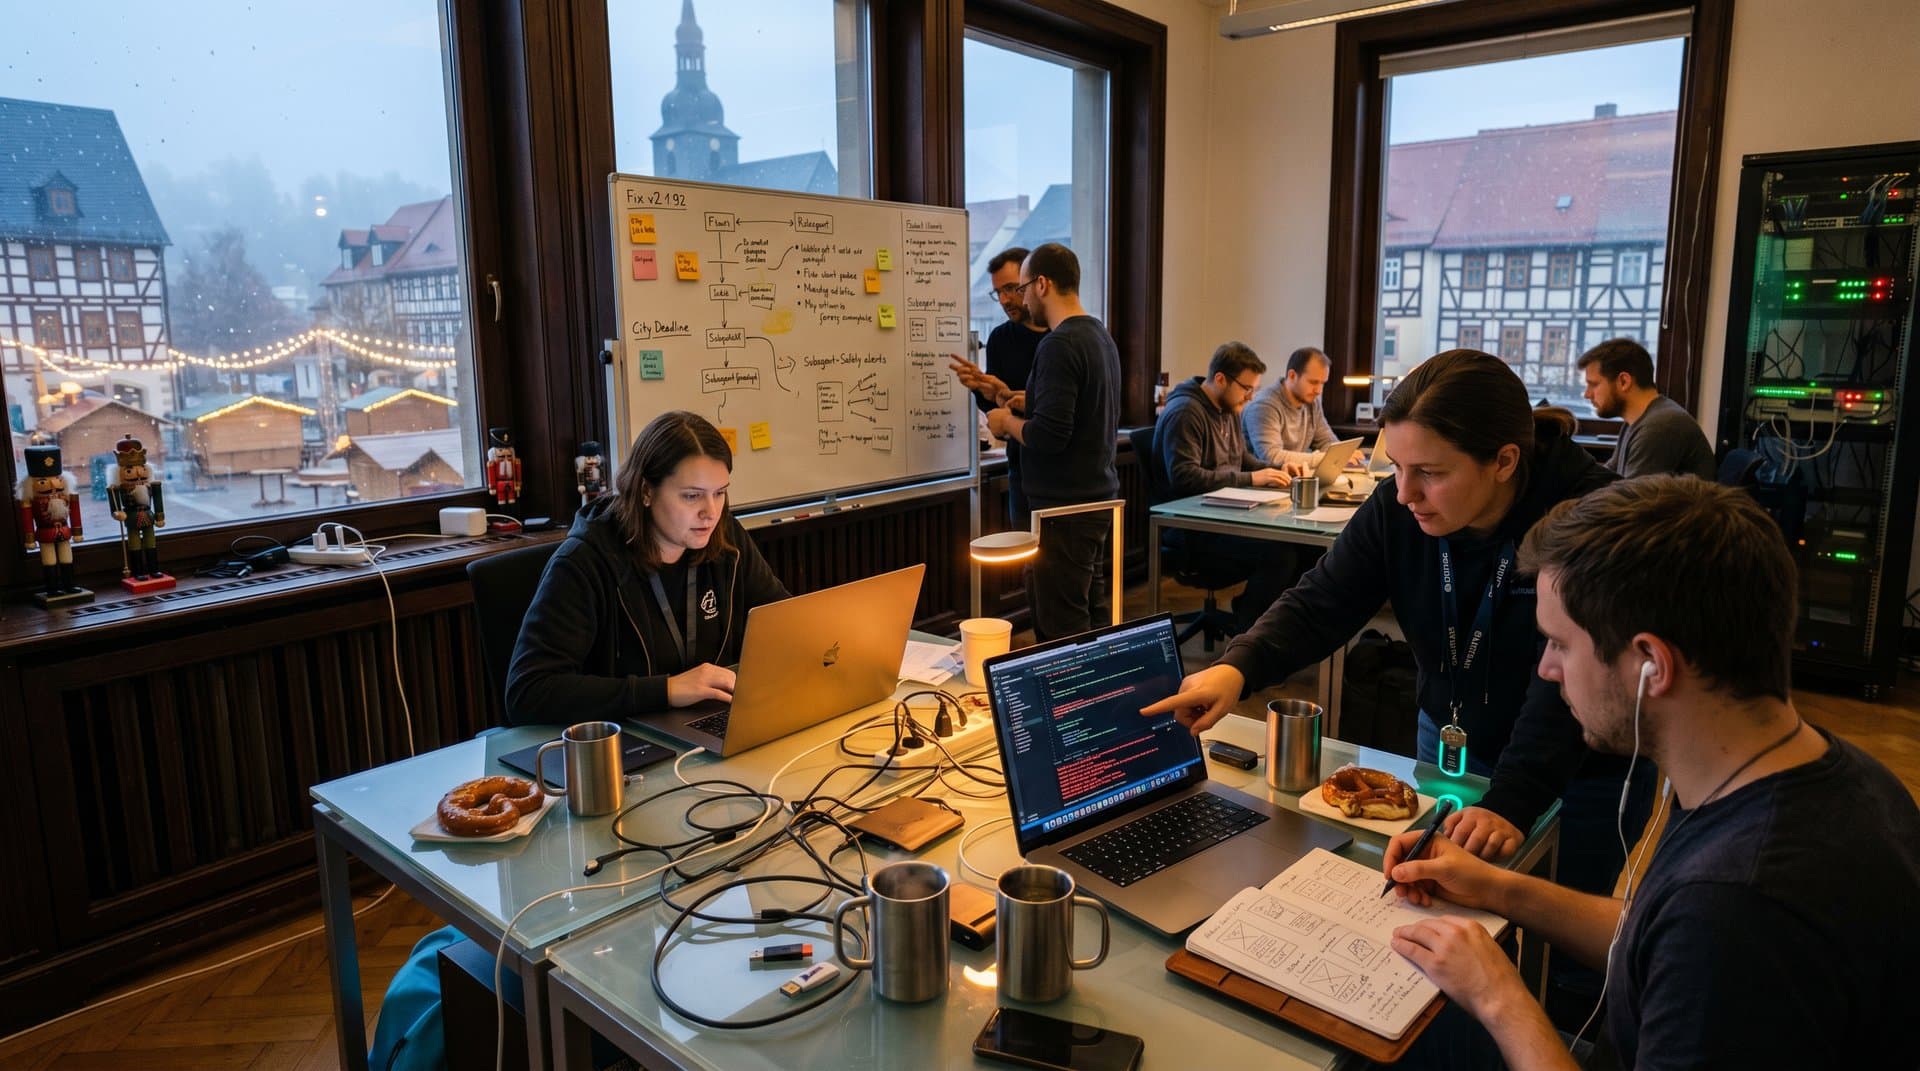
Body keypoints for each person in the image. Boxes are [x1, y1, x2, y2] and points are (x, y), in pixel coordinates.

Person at [1384, 476, 1920, 1069]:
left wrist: (1499, 997)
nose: (1546, 670)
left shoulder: (1738, 906)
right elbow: (1655, 937)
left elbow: (1698, 934)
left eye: (1560, 644)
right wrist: (1496, 889)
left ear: (1651, 666)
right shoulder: (1826, 776)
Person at [1142, 350, 1650, 898]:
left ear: (1504, 461)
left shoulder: (1591, 518)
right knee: (1439, 908)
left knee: (1559, 927)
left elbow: (1571, 683)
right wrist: (1238, 667)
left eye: (1430, 473)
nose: (1405, 494)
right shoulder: (1399, 503)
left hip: (1573, 767)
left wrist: (1515, 797)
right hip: (1450, 739)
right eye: (1398, 467)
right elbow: (1323, 599)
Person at [505, 411, 789, 727]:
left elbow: (785, 624)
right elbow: (528, 692)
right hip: (622, 738)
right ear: (646, 492)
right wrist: (666, 690)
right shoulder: (583, 562)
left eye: (719, 493)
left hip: (707, 723)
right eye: (692, 496)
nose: (710, 512)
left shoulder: (726, 539)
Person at [986, 242, 1121, 640]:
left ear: (1042, 284)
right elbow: (1082, 410)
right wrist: (1027, 400)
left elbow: (1049, 436)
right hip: (1094, 500)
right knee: (1092, 615)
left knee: (1061, 628)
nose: (1022, 299)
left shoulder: (1058, 343)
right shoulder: (1099, 335)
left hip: (1062, 511)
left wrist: (1006, 422)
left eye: (1023, 288)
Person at [1157, 341, 1295, 627]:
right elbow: (1185, 478)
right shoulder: (1185, 413)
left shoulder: (1229, 408)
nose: (1250, 396)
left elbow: (1241, 459)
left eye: (1254, 389)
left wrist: (1275, 470)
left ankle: (1261, 618)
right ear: (1220, 379)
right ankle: (1249, 630)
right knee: (1280, 555)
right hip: (1191, 529)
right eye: (1246, 388)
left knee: (1302, 548)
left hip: (1223, 517)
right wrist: (1252, 479)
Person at [951, 245, 1047, 524]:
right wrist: (982, 390)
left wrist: (1010, 399)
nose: (1004, 300)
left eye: (1011, 288)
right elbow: (997, 407)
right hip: (1021, 468)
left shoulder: (1063, 338)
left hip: (1062, 471)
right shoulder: (1001, 338)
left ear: (1034, 283)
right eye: (998, 292)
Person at [1577, 338, 1713, 479]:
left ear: (1624, 381)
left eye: (1593, 384)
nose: (1587, 394)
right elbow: (1608, 476)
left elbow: (1630, 492)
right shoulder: (1637, 421)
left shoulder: (1660, 426)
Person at [1243, 346, 1337, 469]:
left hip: (1293, 477)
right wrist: (1328, 458)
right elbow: (1272, 457)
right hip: (1262, 479)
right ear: (1292, 375)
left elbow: (1327, 441)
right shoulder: (1264, 405)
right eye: (1313, 382)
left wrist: (1342, 455)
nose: (1319, 391)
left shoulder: (1312, 402)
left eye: (1322, 383)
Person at [18, 443, 88, 602]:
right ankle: (52, 588)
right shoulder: (31, 501)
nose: (53, 484)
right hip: (45, 533)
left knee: (66, 558)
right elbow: (27, 519)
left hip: (64, 531)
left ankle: (69, 585)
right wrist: (29, 539)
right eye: (44, 481)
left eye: (57, 479)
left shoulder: (67, 496)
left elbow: (75, 513)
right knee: (49, 561)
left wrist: (77, 532)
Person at [106, 435, 167, 581]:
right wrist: (117, 513)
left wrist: (159, 516)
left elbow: (157, 499)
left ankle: (153, 569)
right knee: (134, 545)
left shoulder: (151, 485)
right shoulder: (118, 488)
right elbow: (114, 503)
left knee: (151, 543)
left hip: (148, 516)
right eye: (130, 470)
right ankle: (138, 572)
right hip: (131, 518)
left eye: (141, 468)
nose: (138, 473)